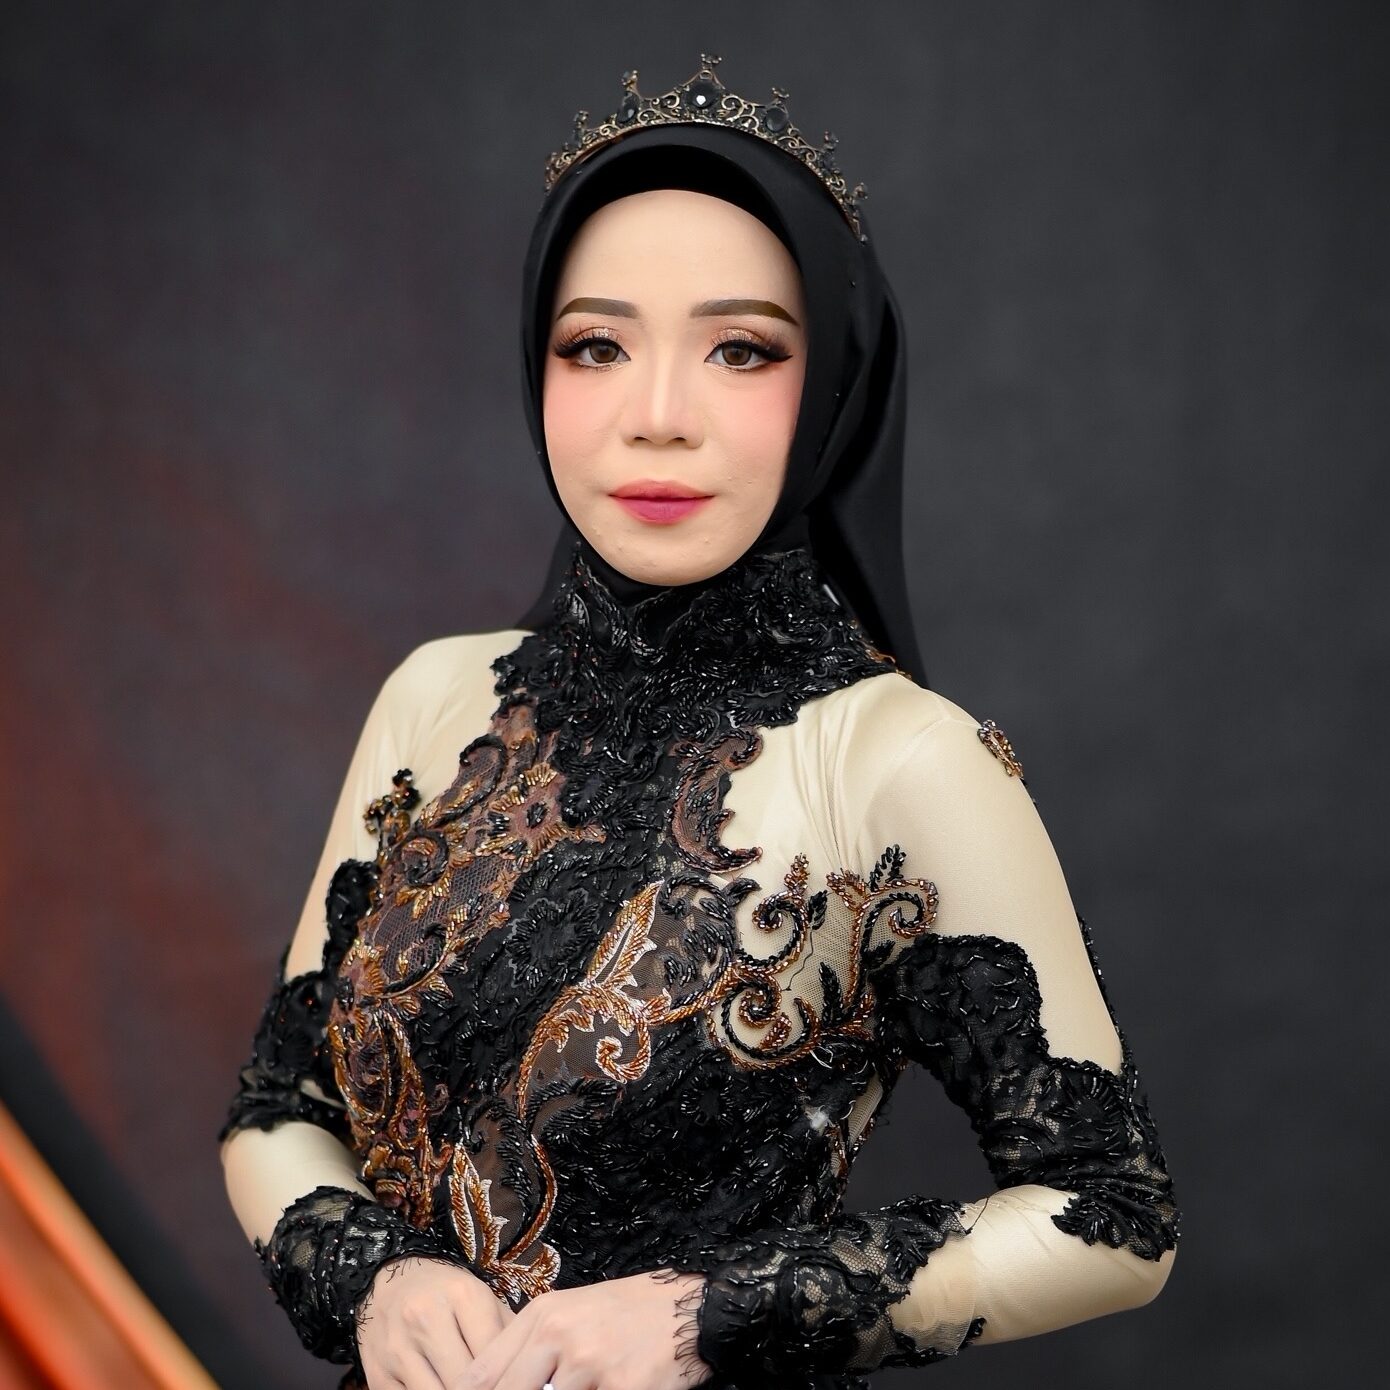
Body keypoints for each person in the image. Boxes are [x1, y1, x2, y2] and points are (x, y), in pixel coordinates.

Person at [219, 56, 1179, 1390]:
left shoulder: (896, 760)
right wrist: (376, 1278)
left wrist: (702, 1317)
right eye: (594, 346)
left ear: (832, 384)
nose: (656, 417)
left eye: (741, 349)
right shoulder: (434, 699)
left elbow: (1112, 1215)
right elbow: (277, 1111)